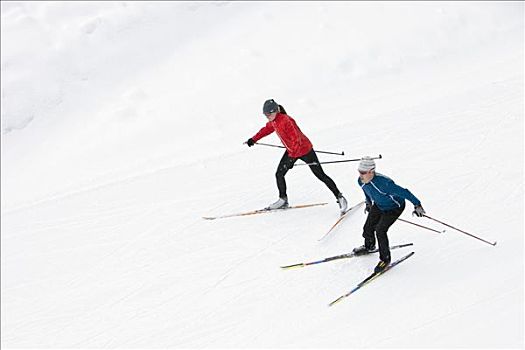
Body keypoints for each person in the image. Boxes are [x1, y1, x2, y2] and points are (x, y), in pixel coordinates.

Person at [245, 99, 348, 214]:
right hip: (291, 151)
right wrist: (253, 139)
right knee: (279, 174)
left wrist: (291, 158)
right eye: (265, 114)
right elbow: (266, 130)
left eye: (269, 114)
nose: (267, 116)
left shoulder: (286, 120)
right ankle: (283, 200)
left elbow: (297, 140)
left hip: (305, 150)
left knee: (320, 175)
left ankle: (340, 197)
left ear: (275, 111)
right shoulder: (273, 121)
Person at [353, 156, 426, 273]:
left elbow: (405, 192)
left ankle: (385, 259)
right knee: (368, 227)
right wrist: (368, 202)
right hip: (378, 204)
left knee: (380, 230)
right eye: (359, 172)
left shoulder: (385, 184)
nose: (361, 175)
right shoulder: (360, 181)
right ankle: (369, 246)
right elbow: (366, 191)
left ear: (371, 171)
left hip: (394, 207)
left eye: (363, 173)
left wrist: (417, 205)